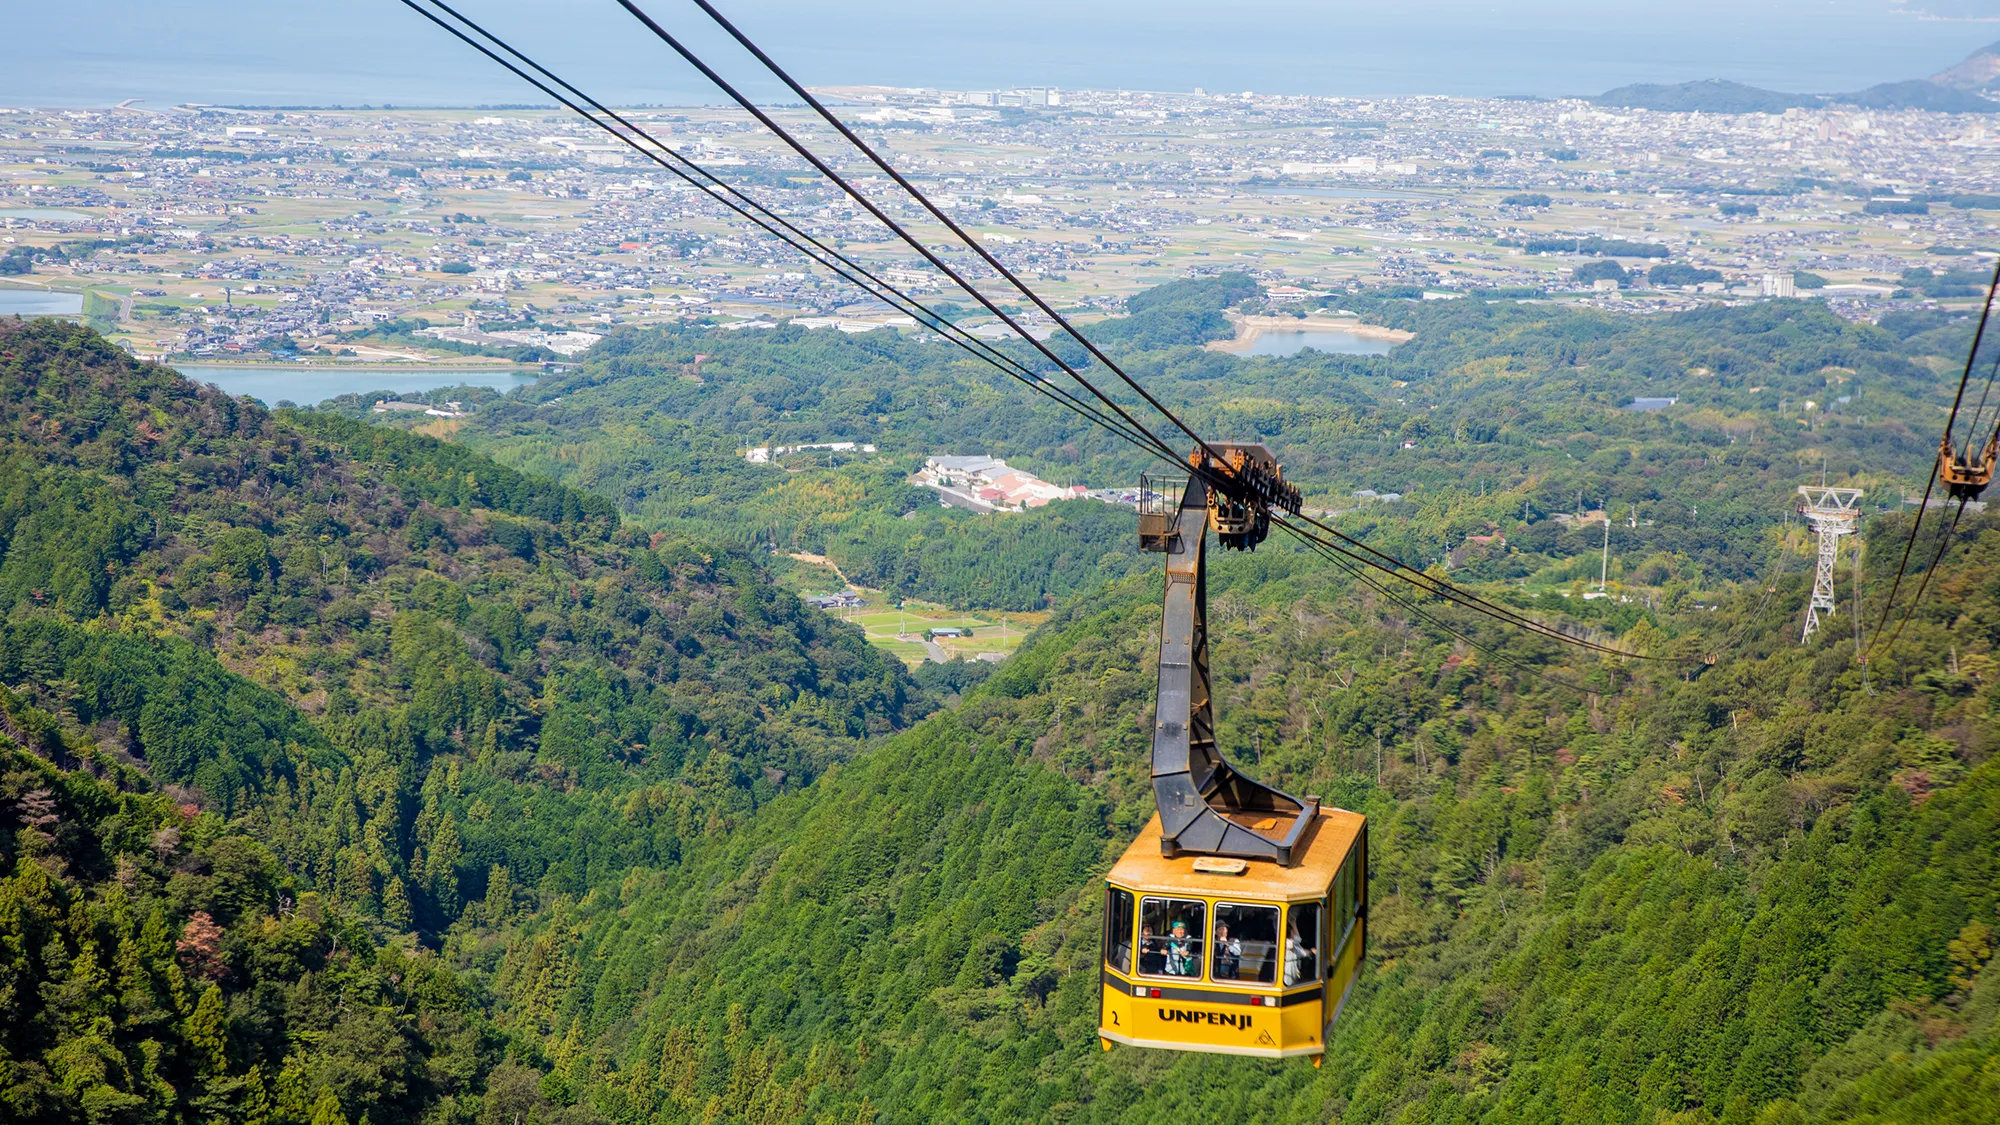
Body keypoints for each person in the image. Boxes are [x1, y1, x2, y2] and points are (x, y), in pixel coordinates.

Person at [1283, 922, 1307, 987]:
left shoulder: (1294, 945)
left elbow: (1303, 953)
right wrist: (1294, 924)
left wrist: (1311, 952)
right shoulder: (1286, 943)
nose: (1294, 933)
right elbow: (1298, 940)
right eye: (1292, 931)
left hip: (1294, 977)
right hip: (1287, 979)